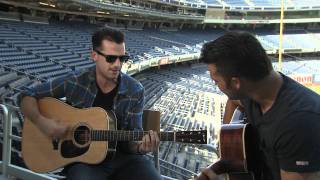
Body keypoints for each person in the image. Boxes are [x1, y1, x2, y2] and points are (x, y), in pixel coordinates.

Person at [19, 27, 162, 180]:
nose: (117, 65)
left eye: (122, 58)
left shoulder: (135, 90)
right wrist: (43, 123)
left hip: (124, 159)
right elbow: (26, 95)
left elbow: (133, 136)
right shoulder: (75, 80)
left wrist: (140, 147)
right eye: (111, 58)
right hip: (84, 160)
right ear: (94, 55)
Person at [197, 32, 320, 180]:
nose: (215, 85)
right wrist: (227, 145)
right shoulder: (254, 91)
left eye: (216, 81)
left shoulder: (299, 122)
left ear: (236, 83)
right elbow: (233, 101)